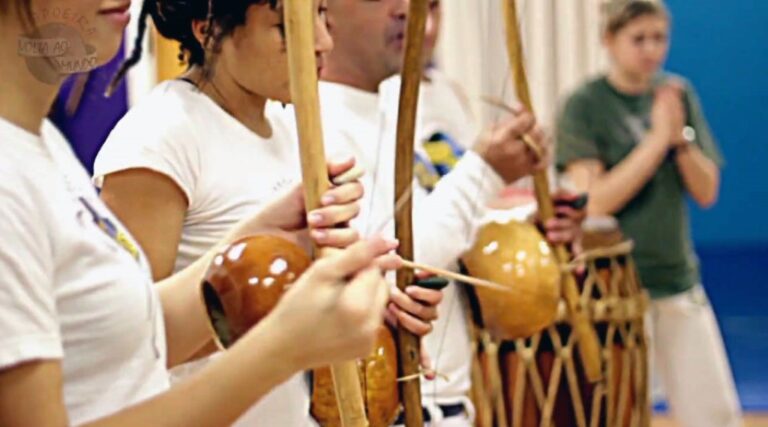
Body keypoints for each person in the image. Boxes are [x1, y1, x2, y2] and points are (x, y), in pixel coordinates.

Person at [0, 1, 404, 426]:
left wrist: (270, 241)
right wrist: (281, 347)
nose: (321, 41)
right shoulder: (17, 173)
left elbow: (136, 339)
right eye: (289, 25)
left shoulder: (43, 145)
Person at [320, 1, 585, 425]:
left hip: (448, 401)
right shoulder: (313, 122)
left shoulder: (405, 101)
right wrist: (484, 172)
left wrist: (533, 226)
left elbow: (452, 233)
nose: (406, 10)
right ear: (323, 10)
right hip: (391, 410)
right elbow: (386, 269)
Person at [555, 2, 741, 426]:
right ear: (609, 40)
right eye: (638, 38)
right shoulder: (584, 104)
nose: (651, 50)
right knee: (613, 413)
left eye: (659, 38)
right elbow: (593, 204)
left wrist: (678, 141)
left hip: (676, 278)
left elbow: (707, 190)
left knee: (715, 415)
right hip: (612, 290)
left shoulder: (676, 94)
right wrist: (657, 140)